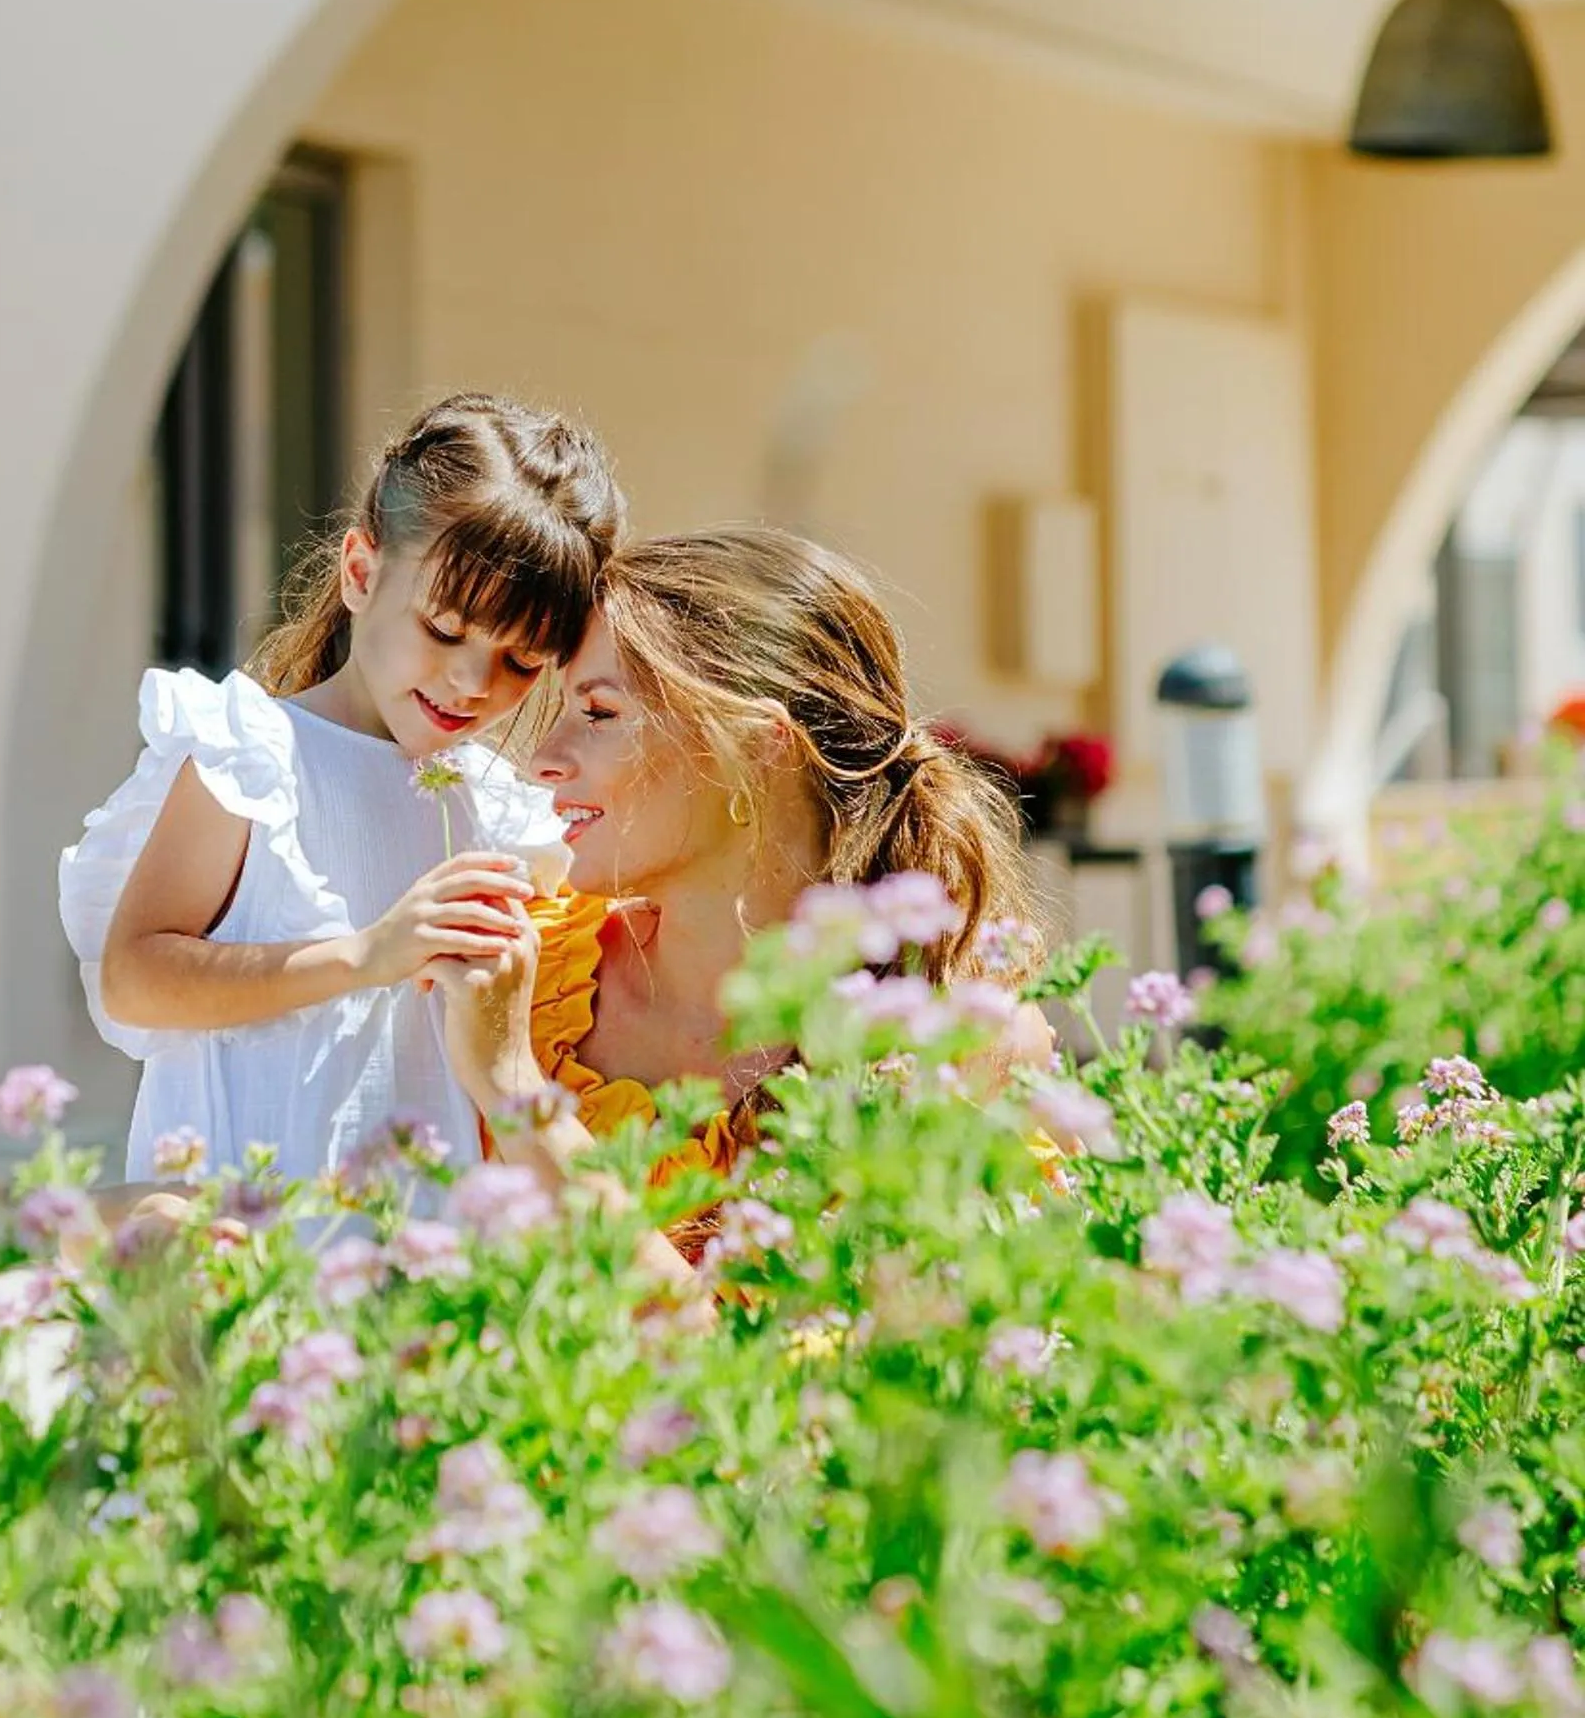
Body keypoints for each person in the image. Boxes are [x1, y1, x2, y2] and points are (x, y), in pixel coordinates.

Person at [58, 393, 622, 1202]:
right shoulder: (253, 755)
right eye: (444, 630)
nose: (472, 683)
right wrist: (365, 956)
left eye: (521, 663)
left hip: (417, 1265)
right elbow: (134, 978)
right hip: (245, 1249)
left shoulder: (498, 813)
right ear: (361, 573)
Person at [427, 526, 1052, 1254]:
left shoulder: (959, 1049)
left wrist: (513, 1087)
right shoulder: (516, 975)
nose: (542, 761)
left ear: (755, 746)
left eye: (599, 714)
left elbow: (746, 1354)